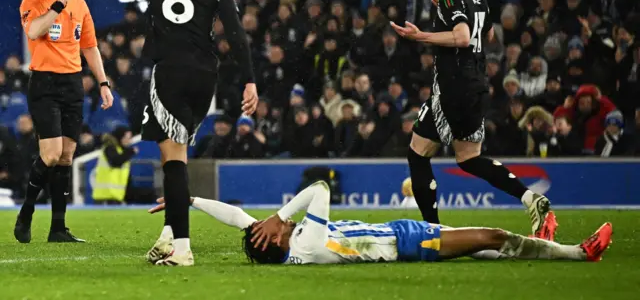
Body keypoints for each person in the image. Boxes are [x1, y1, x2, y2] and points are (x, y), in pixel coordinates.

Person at [121, 0, 258, 266]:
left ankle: (182, 249)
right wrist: (249, 79)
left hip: (171, 71)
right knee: (173, 154)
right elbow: (236, 34)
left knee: (174, 159)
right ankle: (169, 234)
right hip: (205, 76)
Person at [390, 0, 551, 237]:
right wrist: (448, 11)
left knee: (418, 153)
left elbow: (463, 37)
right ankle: (531, 198)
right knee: (469, 159)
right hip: (477, 87)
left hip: (453, 87)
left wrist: (421, 36)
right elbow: (487, 35)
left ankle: (432, 233)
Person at [147, 181, 612, 266]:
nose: (266, 222)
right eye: (272, 227)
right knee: (490, 237)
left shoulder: (286, 247)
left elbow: (236, 218)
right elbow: (320, 189)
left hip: (403, 234)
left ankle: (540, 242)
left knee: (492, 250)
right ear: (279, 237)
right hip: (410, 244)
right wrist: (282, 214)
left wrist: (186, 200)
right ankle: (577, 252)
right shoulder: (304, 241)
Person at [14, 0, 113, 244]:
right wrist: (58, 5)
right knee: (51, 154)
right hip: (44, 83)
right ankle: (27, 212)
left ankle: (58, 228)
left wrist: (103, 83)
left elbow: (90, 47)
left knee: (67, 157)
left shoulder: (81, 6)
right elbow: (34, 31)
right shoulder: (33, 2)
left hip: (72, 84)